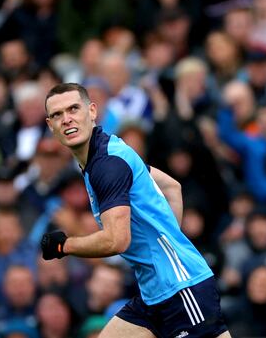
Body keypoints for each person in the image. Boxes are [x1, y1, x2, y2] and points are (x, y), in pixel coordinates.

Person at [41, 83, 230, 338]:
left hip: (181, 289)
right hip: (154, 293)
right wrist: (166, 245)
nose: (67, 119)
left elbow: (117, 240)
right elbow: (172, 187)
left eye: (73, 108)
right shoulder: (108, 151)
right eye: (57, 115)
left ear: (92, 111)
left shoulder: (107, 165)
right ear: (50, 125)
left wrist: (64, 246)